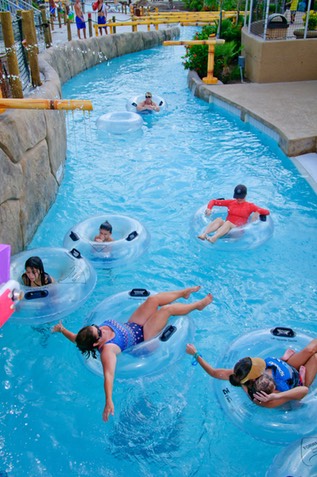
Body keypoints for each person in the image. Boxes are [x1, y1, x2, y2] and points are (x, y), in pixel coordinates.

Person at [52, 286, 212, 422]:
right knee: (166, 310)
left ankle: (183, 293)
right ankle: (198, 305)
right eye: (99, 332)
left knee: (152, 300)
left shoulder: (92, 335)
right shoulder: (107, 350)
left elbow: (77, 339)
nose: (102, 329)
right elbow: (108, 375)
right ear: (96, 343)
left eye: (96, 327)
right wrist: (108, 400)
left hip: (133, 325)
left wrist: (62, 330)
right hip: (143, 341)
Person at [186, 339, 317, 408]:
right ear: (254, 378)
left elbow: (214, 372)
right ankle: (300, 374)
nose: (261, 364)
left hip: (285, 368)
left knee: (310, 349)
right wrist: (277, 397)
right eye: (260, 366)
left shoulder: (241, 374)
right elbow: (302, 391)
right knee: (315, 357)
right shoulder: (267, 395)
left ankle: (284, 359)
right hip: (295, 381)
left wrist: (195, 354)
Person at [198, 184, 270, 243]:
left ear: (245, 195)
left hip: (237, 231)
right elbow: (213, 201)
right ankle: (204, 234)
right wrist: (209, 208)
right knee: (219, 219)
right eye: (237, 197)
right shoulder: (231, 202)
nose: (238, 199)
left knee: (228, 223)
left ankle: (214, 238)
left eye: (240, 198)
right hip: (225, 229)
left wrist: (259, 212)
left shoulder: (250, 206)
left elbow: (266, 211)